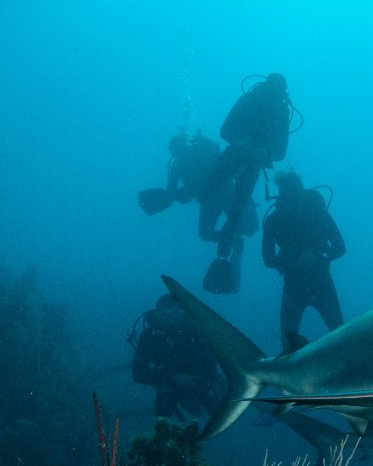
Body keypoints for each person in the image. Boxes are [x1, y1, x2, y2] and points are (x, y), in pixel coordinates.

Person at [203, 73, 294, 294]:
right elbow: (225, 131)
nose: (272, 95)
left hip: (253, 161)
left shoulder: (281, 112)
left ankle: (227, 249)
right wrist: (240, 142)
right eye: (270, 89)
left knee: (234, 214)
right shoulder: (249, 101)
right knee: (205, 193)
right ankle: (225, 239)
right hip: (237, 154)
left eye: (276, 91)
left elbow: (280, 152)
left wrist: (264, 152)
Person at [139, 130, 257, 293]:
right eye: (176, 151)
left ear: (186, 145)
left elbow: (225, 165)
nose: (179, 153)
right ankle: (234, 242)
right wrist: (177, 195)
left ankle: (233, 242)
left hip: (225, 192)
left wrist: (182, 194)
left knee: (245, 229)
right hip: (214, 198)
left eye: (180, 149)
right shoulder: (179, 164)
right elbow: (171, 193)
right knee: (206, 233)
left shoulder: (200, 151)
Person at [261, 169, 345, 352]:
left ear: (303, 191)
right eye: (289, 194)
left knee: (340, 335)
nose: (295, 198)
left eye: (297, 192)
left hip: (321, 283)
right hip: (294, 286)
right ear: (281, 196)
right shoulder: (273, 221)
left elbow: (340, 247)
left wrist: (319, 258)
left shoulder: (319, 213)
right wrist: (294, 262)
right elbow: (268, 259)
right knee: (287, 345)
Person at [128, 294, 224, 421]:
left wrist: (194, 385)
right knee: (162, 420)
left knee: (222, 415)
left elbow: (211, 369)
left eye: (175, 316)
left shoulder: (196, 332)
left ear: (183, 315)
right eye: (164, 317)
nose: (170, 322)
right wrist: (172, 378)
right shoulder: (149, 336)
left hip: (199, 382)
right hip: (168, 385)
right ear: (156, 316)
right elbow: (137, 374)